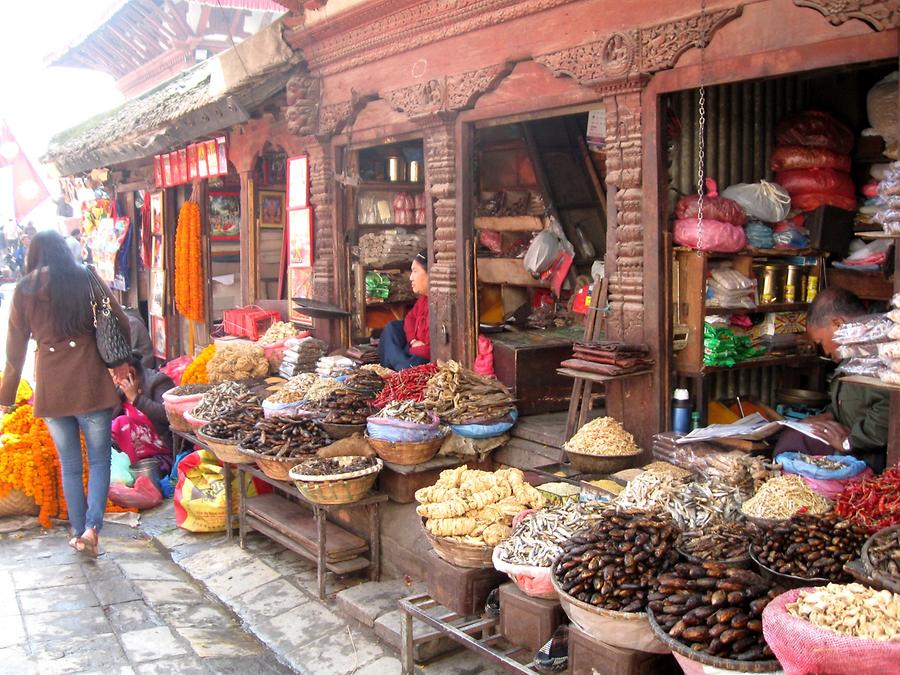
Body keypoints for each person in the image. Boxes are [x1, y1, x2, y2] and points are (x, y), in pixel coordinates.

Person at [0, 230, 130, 557]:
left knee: (70, 464)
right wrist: (122, 361)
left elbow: (14, 352)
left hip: (52, 388)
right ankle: (92, 527)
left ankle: (76, 531)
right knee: (99, 459)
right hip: (91, 383)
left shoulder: (24, 289)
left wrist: (6, 398)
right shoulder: (84, 276)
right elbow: (118, 318)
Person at [775, 287, 889, 470]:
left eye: (820, 342)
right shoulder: (853, 355)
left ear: (837, 324)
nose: (825, 352)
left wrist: (849, 442)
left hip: (870, 454)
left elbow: (887, 413)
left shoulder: (876, 354)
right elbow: (853, 402)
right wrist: (828, 415)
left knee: (794, 446)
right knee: (793, 438)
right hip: (852, 441)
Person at [110, 352, 175, 458]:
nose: (115, 380)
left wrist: (136, 398)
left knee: (122, 423)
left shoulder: (158, 381)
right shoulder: (122, 387)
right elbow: (110, 418)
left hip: (160, 445)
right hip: (132, 445)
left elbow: (168, 414)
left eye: (116, 375)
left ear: (131, 372)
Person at [378, 249, 430, 370]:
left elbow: (435, 349)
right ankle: (401, 367)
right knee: (392, 327)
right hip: (413, 347)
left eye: (415, 271)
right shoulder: (423, 300)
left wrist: (414, 349)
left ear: (430, 274)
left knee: (417, 360)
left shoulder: (442, 305)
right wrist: (412, 341)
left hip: (423, 356)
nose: (411, 277)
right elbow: (410, 318)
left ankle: (401, 369)